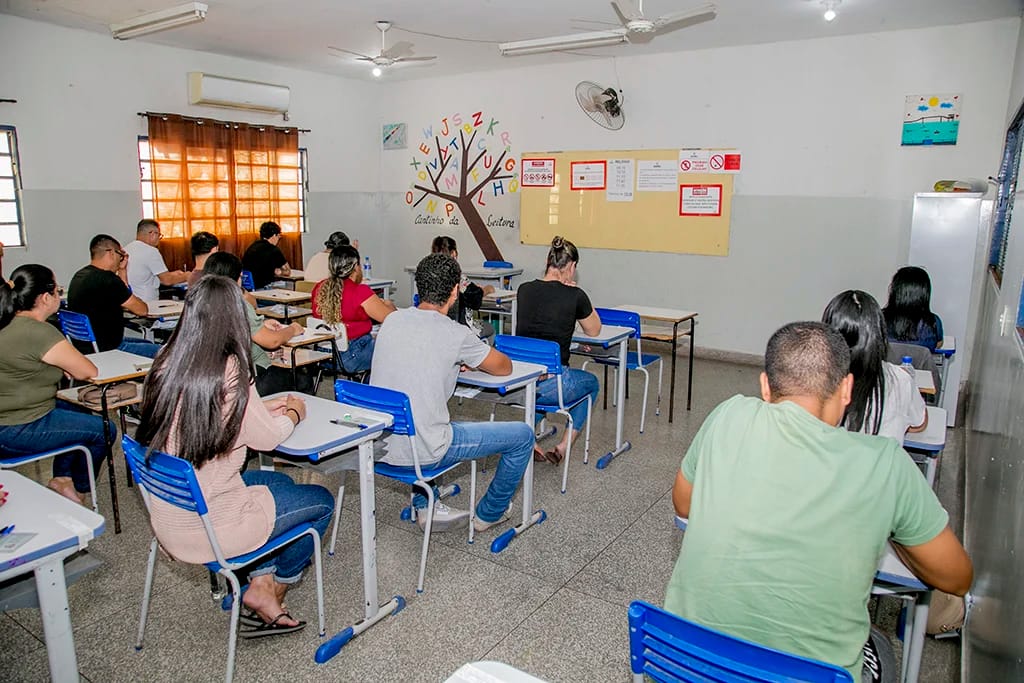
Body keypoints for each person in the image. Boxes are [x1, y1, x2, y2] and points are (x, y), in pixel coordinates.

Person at [664, 321, 972, 679]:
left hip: (683, 665)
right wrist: (895, 533)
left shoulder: (727, 414)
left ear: (765, 386)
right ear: (846, 389)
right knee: (881, 648)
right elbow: (956, 578)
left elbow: (683, 504)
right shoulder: (885, 463)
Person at [136, 275, 332, 636]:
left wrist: (258, 405)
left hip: (170, 520)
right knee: (320, 501)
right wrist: (293, 413)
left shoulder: (166, 363)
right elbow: (269, 439)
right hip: (213, 527)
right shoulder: (229, 370)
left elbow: (215, 416)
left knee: (275, 481)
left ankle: (259, 577)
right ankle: (271, 589)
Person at [371, 253, 534, 533]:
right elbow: (503, 367)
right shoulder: (455, 333)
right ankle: (489, 514)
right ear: (455, 290)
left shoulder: (392, 321)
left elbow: (413, 364)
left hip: (379, 445)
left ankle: (425, 504)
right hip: (424, 449)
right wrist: (464, 358)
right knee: (522, 436)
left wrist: (450, 364)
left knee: (421, 411)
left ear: (418, 288)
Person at [0, 264, 107, 505]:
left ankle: (62, 478)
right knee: (104, 429)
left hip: (10, 417)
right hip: (17, 427)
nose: (59, 296)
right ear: (45, 298)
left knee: (78, 410)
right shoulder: (39, 332)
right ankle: (78, 488)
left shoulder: (6, 321)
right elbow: (87, 370)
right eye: (58, 291)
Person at [515, 236, 601, 465]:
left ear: (548, 261)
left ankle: (529, 439)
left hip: (521, 381)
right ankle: (563, 446)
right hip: (555, 384)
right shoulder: (575, 295)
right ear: (571, 266)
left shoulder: (523, 290)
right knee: (591, 384)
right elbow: (594, 330)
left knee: (539, 392)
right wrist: (577, 295)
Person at [822, 290, 927, 440]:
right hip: (883, 463)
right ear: (880, 335)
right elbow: (920, 423)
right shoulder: (901, 380)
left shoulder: (814, 381)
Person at [203, 252, 307, 396]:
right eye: (239, 277)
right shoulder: (237, 304)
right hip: (249, 378)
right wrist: (292, 329)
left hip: (212, 376)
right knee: (303, 381)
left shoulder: (201, 302)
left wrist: (263, 324)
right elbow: (273, 341)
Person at [67, 234, 161, 358]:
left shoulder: (80, 275)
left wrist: (122, 271)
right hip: (110, 349)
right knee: (167, 352)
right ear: (111, 253)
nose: (121, 259)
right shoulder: (108, 280)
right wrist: (121, 273)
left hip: (86, 347)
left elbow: (123, 295)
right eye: (120, 255)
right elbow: (142, 310)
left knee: (147, 343)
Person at [310, 245, 395, 374]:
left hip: (323, 354)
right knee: (393, 348)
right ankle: (371, 386)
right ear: (356, 267)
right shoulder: (359, 291)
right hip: (351, 357)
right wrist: (389, 304)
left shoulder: (319, 288)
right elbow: (390, 318)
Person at [431, 235, 494, 339]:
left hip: (436, 326)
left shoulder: (429, 275)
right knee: (490, 329)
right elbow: (475, 298)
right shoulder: (457, 277)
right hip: (461, 326)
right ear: (454, 253)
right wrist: (487, 289)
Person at [883, 266, 944, 351]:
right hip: (920, 364)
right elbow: (938, 345)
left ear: (895, 291)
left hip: (886, 364)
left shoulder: (879, 319)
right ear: (925, 293)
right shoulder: (933, 322)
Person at [125, 219, 187, 302]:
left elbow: (144, 276)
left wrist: (172, 274)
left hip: (130, 302)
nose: (159, 239)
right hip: (147, 303)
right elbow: (167, 280)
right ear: (152, 234)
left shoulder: (126, 249)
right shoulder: (150, 251)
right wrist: (187, 276)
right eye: (159, 235)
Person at [242, 221, 291, 289]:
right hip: (263, 288)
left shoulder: (252, 246)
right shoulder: (273, 250)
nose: (278, 239)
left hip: (247, 288)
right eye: (278, 236)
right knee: (287, 288)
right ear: (274, 235)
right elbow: (287, 271)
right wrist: (279, 272)